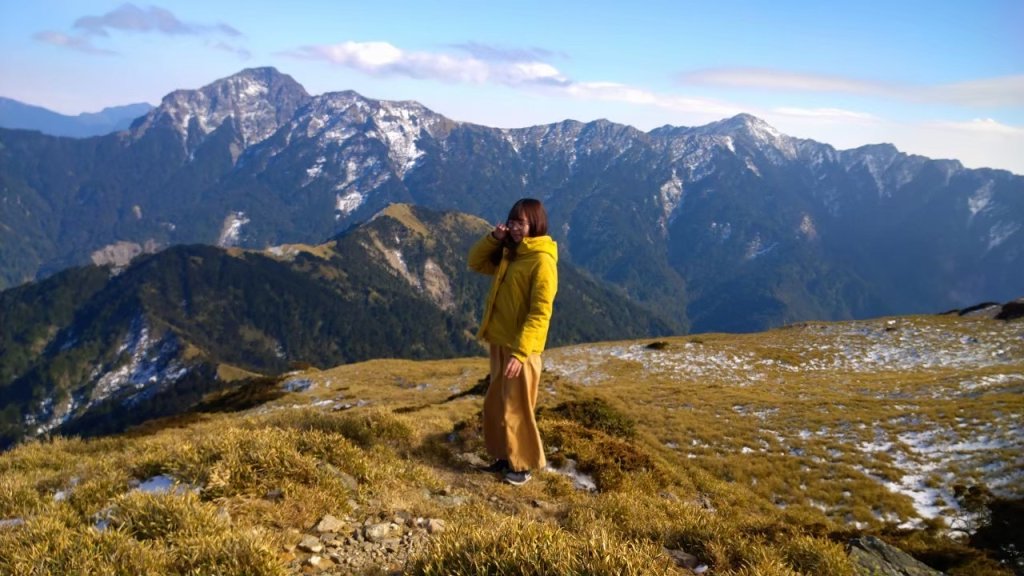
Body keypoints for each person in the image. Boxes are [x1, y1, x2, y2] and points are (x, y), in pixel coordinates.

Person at [467, 198, 558, 486]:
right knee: (496, 403)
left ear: (536, 224)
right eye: (513, 222)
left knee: (517, 407)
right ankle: (504, 457)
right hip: (500, 340)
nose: (516, 228)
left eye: (522, 223)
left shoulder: (542, 260)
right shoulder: (511, 254)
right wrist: (495, 238)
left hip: (522, 348)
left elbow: (540, 312)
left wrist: (520, 353)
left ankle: (523, 466)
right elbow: (475, 262)